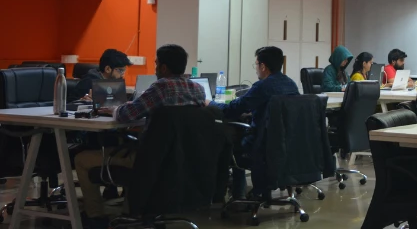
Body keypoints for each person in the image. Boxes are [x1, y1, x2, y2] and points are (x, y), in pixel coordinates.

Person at [74, 44, 206, 229]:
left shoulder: (161, 87)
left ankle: (95, 216)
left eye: (156, 64)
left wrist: (114, 109)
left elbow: (126, 115)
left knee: (81, 159)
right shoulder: (198, 90)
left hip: (149, 161)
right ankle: (131, 209)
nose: (155, 68)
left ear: (164, 67)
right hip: (182, 158)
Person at [210, 46, 299, 200]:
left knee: (228, 144)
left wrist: (210, 104)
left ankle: (235, 195)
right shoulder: (291, 84)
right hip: (286, 144)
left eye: (256, 64)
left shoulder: (262, 86)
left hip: (262, 145)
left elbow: (232, 110)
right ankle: (242, 193)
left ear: (263, 66)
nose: (256, 68)